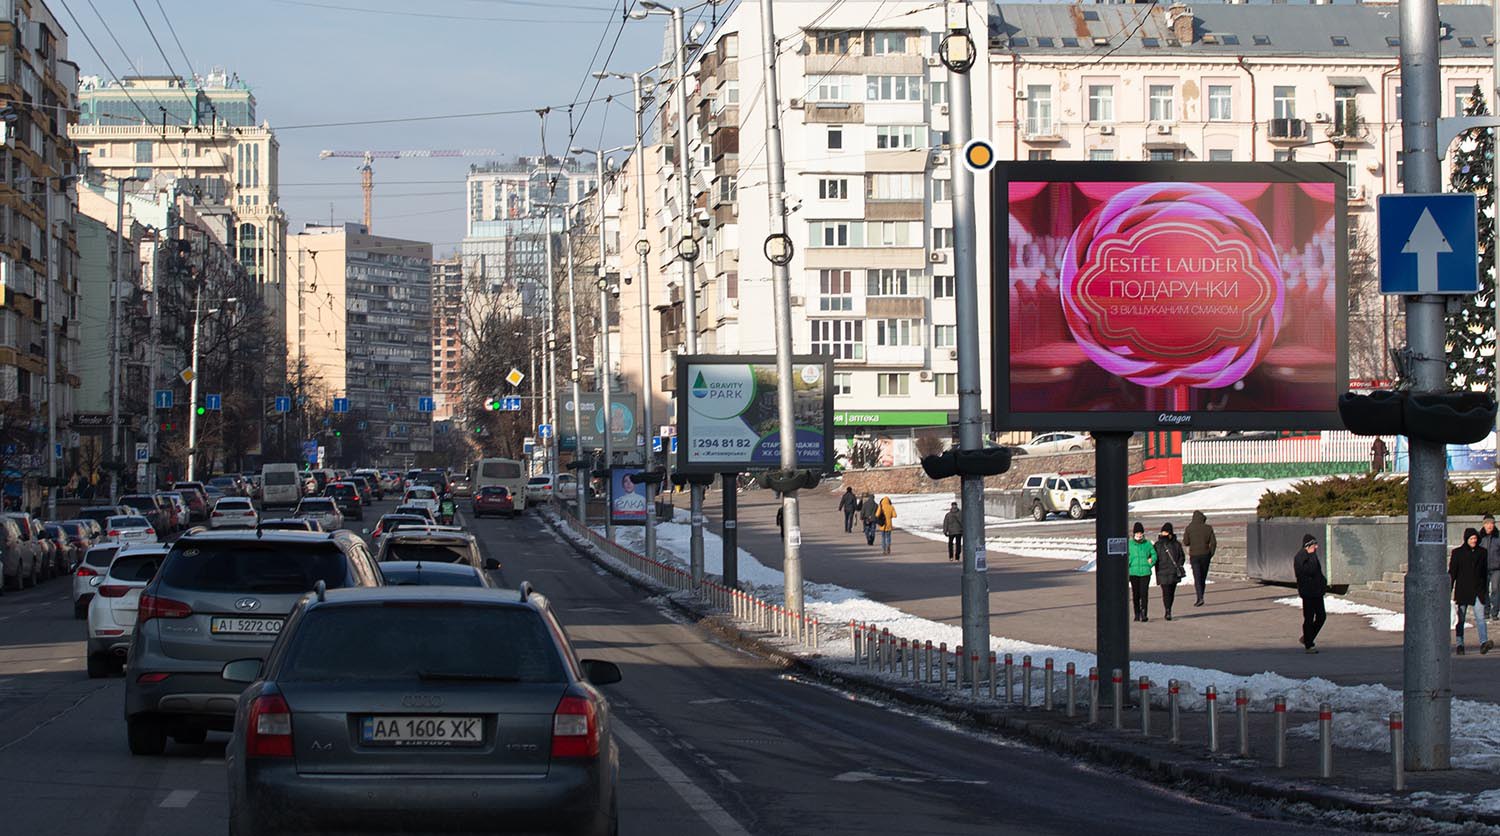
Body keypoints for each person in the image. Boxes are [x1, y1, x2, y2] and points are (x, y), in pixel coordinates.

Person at [1449, 527, 1493, 655]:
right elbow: (1452, 573)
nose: (1474, 541)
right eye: (1471, 539)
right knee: (1461, 619)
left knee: (1480, 618)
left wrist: (1484, 590)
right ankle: (1460, 644)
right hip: (1463, 591)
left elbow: (1484, 572)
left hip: (1478, 591)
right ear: (1466, 539)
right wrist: (1448, 589)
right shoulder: (1458, 553)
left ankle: (1483, 643)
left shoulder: (1482, 552)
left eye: (1475, 538)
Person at [1294, 534, 1328, 653]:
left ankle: (1307, 638)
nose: (1316, 547)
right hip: (1308, 593)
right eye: (1314, 545)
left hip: (1317, 592)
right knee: (1309, 618)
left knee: (1321, 617)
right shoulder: (1301, 557)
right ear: (1308, 546)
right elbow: (1310, 571)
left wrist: (1323, 582)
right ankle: (1309, 645)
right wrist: (1311, 556)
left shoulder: (1313, 556)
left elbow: (1318, 572)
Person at [1183, 510, 1217, 607]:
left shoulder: (1189, 528)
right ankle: (1201, 595)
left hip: (1194, 556)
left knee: (1197, 577)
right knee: (1203, 577)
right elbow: (1213, 543)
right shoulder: (1208, 528)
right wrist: (1210, 553)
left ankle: (1200, 597)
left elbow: (1186, 542)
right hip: (1205, 555)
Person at [1153, 522, 1187, 621]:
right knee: (1166, 592)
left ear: (1170, 533)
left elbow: (1182, 556)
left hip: (1173, 572)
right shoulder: (1157, 545)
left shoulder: (1176, 544)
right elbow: (1154, 557)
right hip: (1162, 572)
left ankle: (1169, 608)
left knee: (1171, 592)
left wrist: (1179, 564)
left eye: (1166, 532)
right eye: (1163, 532)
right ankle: (1167, 610)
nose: (1164, 533)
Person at [1128, 521, 1156, 622]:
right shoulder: (1129, 544)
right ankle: (1137, 613)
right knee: (1136, 594)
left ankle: (1144, 613)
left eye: (1141, 533)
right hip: (1133, 572)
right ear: (1134, 533)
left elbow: (1154, 555)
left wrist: (1150, 563)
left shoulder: (1147, 544)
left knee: (1144, 593)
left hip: (1145, 572)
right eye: (1137, 533)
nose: (1139, 535)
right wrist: (1129, 563)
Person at [1482, 514, 1500, 623]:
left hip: (1496, 568)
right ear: (1484, 525)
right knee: (1483, 590)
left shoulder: (1498, 537)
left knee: (1495, 589)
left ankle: (1495, 612)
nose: (1490, 526)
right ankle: (1486, 611)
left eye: (1492, 523)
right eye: (1488, 523)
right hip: (1483, 568)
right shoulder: (1480, 537)